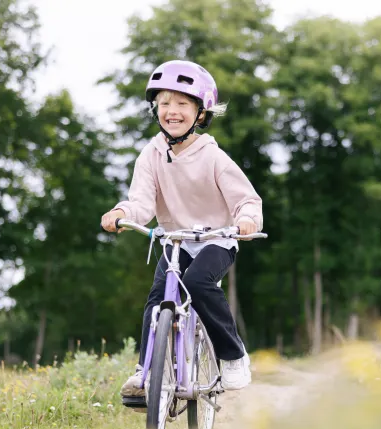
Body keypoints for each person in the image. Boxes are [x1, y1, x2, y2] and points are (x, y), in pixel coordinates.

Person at [100, 60, 262, 399]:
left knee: (198, 283)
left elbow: (246, 199)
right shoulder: (151, 155)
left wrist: (246, 221)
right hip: (174, 242)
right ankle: (145, 372)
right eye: (164, 103)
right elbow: (141, 203)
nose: (172, 111)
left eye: (182, 103)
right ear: (155, 109)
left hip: (216, 239)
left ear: (201, 113)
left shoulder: (213, 157)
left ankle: (232, 355)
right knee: (157, 299)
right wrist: (122, 212)